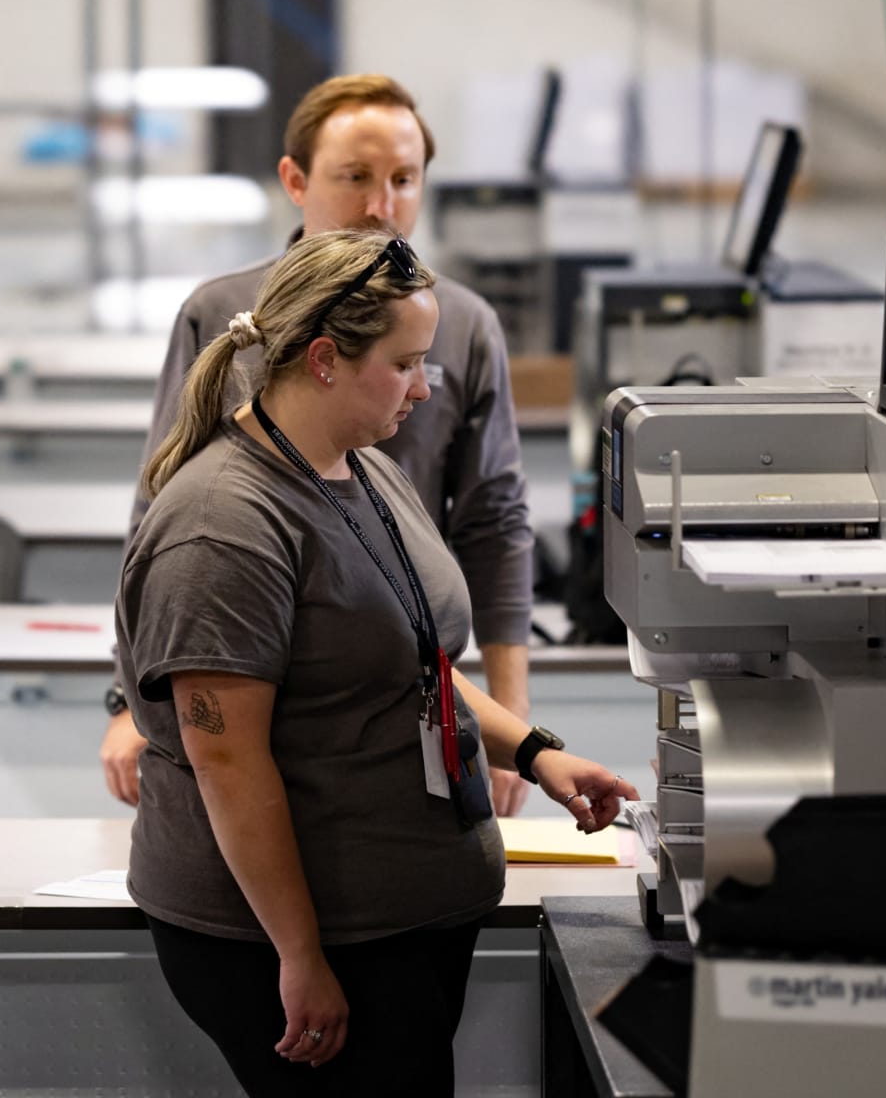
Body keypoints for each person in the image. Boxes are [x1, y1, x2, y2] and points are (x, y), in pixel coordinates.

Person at [116, 229, 634, 1096]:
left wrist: (536, 752)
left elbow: (411, 665)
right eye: (406, 364)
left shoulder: (361, 469)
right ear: (324, 359)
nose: (424, 388)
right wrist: (299, 954)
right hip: (309, 939)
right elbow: (228, 763)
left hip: (398, 921)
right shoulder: (223, 528)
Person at [103, 74, 538, 814]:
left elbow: (494, 521)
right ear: (296, 180)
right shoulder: (223, 312)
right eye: (355, 177)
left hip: (397, 671)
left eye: (404, 180)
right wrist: (129, 696)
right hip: (256, 661)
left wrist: (514, 718)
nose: (381, 206)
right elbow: (161, 512)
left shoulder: (461, 325)